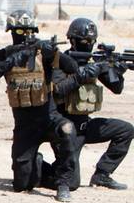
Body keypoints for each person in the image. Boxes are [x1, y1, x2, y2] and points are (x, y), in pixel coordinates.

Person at [0, 10, 80, 202]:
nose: (23, 36)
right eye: (19, 31)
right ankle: (37, 164)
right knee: (22, 184)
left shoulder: (44, 53)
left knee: (67, 129)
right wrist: (10, 62)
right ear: (11, 32)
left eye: (27, 31)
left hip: (49, 118)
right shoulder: (4, 54)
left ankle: (63, 183)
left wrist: (53, 52)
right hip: (25, 126)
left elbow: (73, 68)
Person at [44, 18, 133, 190]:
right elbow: (58, 90)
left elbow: (116, 88)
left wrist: (117, 71)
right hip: (65, 129)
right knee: (72, 183)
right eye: (84, 41)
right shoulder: (61, 61)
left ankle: (102, 175)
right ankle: (37, 168)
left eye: (91, 42)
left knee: (126, 130)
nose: (88, 45)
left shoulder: (94, 62)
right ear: (72, 40)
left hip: (86, 126)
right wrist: (82, 75)